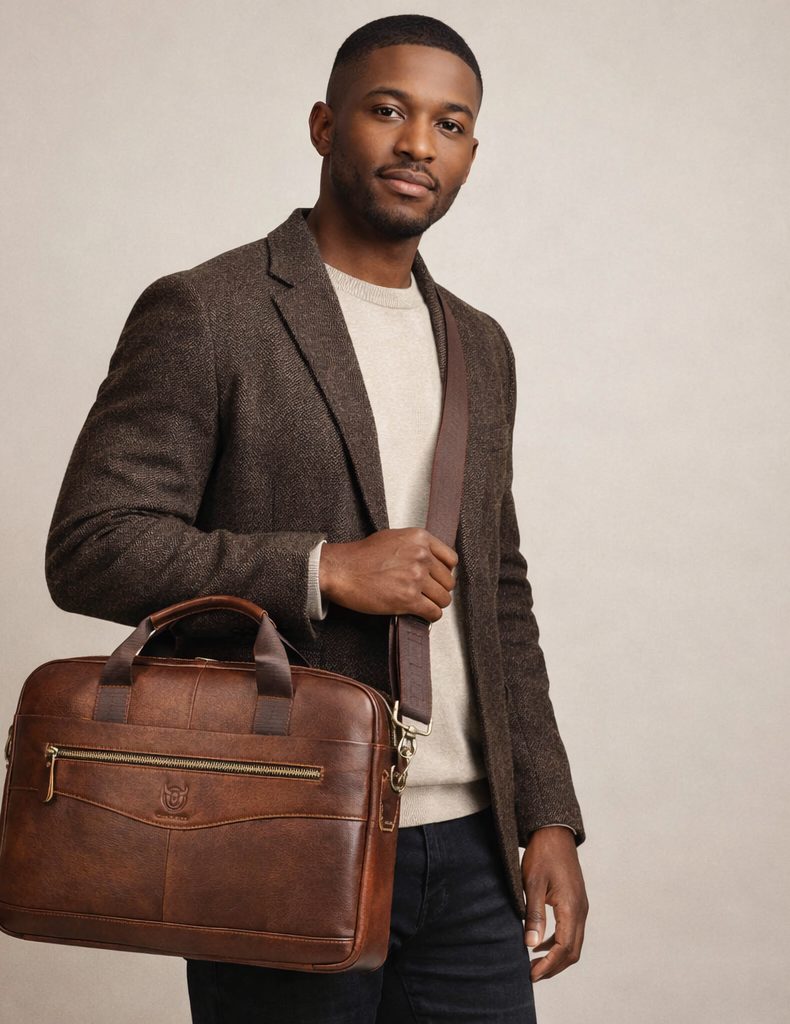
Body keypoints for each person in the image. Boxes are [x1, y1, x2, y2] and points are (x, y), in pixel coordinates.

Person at [46, 14, 587, 1023]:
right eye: (388, 110)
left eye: (451, 123)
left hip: (473, 849)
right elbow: (91, 546)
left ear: (471, 149)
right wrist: (322, 568)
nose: (418, 143)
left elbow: (498, 593)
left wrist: (546, 813)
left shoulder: (481, 345)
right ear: (324, 124)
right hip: (279, 826)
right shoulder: (208, 312)